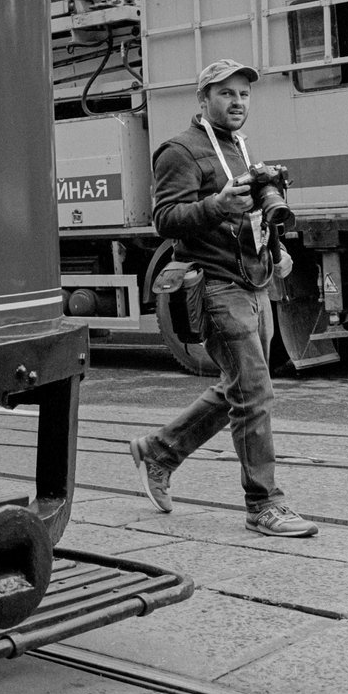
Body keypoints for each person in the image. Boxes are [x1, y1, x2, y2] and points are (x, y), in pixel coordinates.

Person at [129, 59, 319, 537]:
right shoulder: (180, 151)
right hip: (215, 285)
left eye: (244, 95)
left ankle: (160, 451)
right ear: (203, 99)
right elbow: (165, 219)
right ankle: (264, 505)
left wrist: (277, 253)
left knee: (241, 384)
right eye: (226, 94)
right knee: (253, 391)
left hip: (254, 282)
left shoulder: (240, 149)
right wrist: (216, 205)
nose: (238, 102)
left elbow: (251, 218)